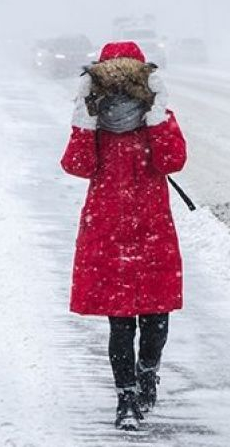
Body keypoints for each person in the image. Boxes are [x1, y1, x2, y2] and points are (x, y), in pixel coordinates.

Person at [60, 41, 187, 431]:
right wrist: (83, 119)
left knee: (154, 320)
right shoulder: (96, 123)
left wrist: (157, 116)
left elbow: (173, 160)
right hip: (115, 230)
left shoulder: (154, 119)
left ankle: (146, 374)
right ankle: (127, 398)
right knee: (122, 323)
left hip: (145, 229)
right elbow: (77, 166)